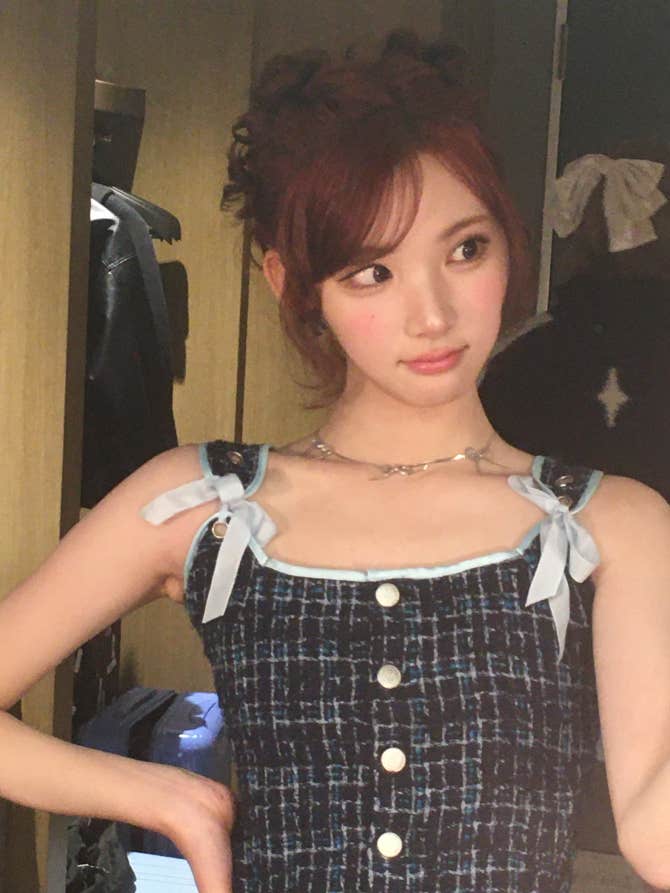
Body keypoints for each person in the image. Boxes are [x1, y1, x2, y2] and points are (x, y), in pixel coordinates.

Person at [1, 30, 669, 893]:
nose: (433, 314)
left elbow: (651, 818)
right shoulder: (202, 501)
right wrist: (164, 796)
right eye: (371, 272)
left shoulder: (612, 523)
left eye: (465, 249)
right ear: (294, 285)